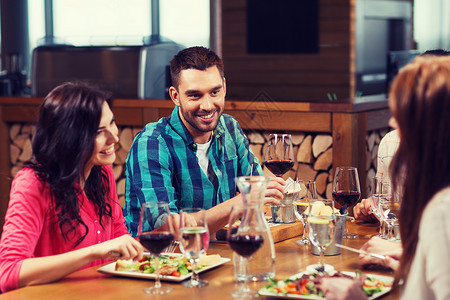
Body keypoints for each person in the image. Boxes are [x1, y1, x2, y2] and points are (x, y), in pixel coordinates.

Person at [319, 56, 450, 299]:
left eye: (402, 113)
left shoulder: (442, 210)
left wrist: (356, 297)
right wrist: (405, 259)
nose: (392, 121)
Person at [123, 46, 285, 236]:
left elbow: (257, 192)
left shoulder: (230, 128)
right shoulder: (151, 143)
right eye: (195, 95)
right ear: (175, 96)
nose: (208, 106)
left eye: (214, 92)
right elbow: (165, 228)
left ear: (224, 87)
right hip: (161, 260)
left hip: (217, 256)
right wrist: (242, 202)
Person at [0, 82, 144, 293]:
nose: (114, 137)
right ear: (69, 138)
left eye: (112, 123)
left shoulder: (101, 173)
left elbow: (119, 238)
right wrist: (94, 252)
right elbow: (8, 273)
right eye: (98, 132)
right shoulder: (32, 183)